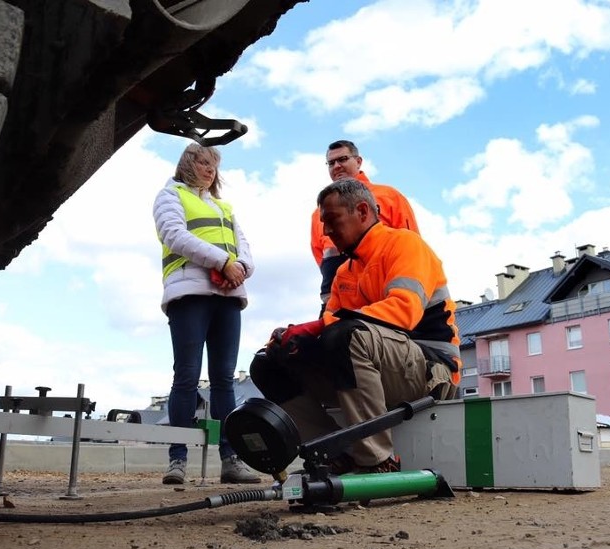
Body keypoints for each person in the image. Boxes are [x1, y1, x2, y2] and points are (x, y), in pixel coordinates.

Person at [251, 178, 460, 474]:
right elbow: (327, 332)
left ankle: (377, 460)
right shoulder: (344, 272)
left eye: (332, 220)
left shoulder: (405, 244)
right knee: (268, 364)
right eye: (323, 222)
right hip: (378, 365)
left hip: (431, 372)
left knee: (344, 335)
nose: (325, 231)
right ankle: (336, 451)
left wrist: (316, 327)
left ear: (362, 211)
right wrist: (293, 342)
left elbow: (404, 311)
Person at [153, 143, 260, 485]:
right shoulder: (170, 196)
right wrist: (223, 262)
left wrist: (240, 266)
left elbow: (245, 247)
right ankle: (177, 460)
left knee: (224, 380)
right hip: (190, 294)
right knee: (186, 376)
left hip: (227, 297)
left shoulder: (225, 207)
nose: (209, 169)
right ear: (187, 164)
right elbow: (174, 235)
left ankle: (232, 460)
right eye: (202, 162)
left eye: (213, 164)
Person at [312, 140, 419, 309]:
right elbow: (319, 252)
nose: (337, 166)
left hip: (384, 296)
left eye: (343, 159)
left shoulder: (389, 196)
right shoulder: (319, 212)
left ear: (359, 161)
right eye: (331, 163)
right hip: (337, 298)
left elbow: (413, 246)